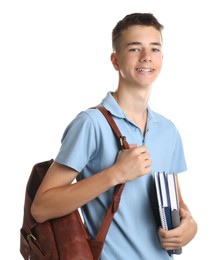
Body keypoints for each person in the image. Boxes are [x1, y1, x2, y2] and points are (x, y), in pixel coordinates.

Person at [31, 12, 197, 259]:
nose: (146, 57)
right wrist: (116, 174)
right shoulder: (91, 124)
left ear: (162, 57)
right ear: (115, 60)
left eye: (154, 49)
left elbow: (174, 201)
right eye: (134, 49)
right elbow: (42, 207)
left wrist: (190, 225)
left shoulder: (168, 130)